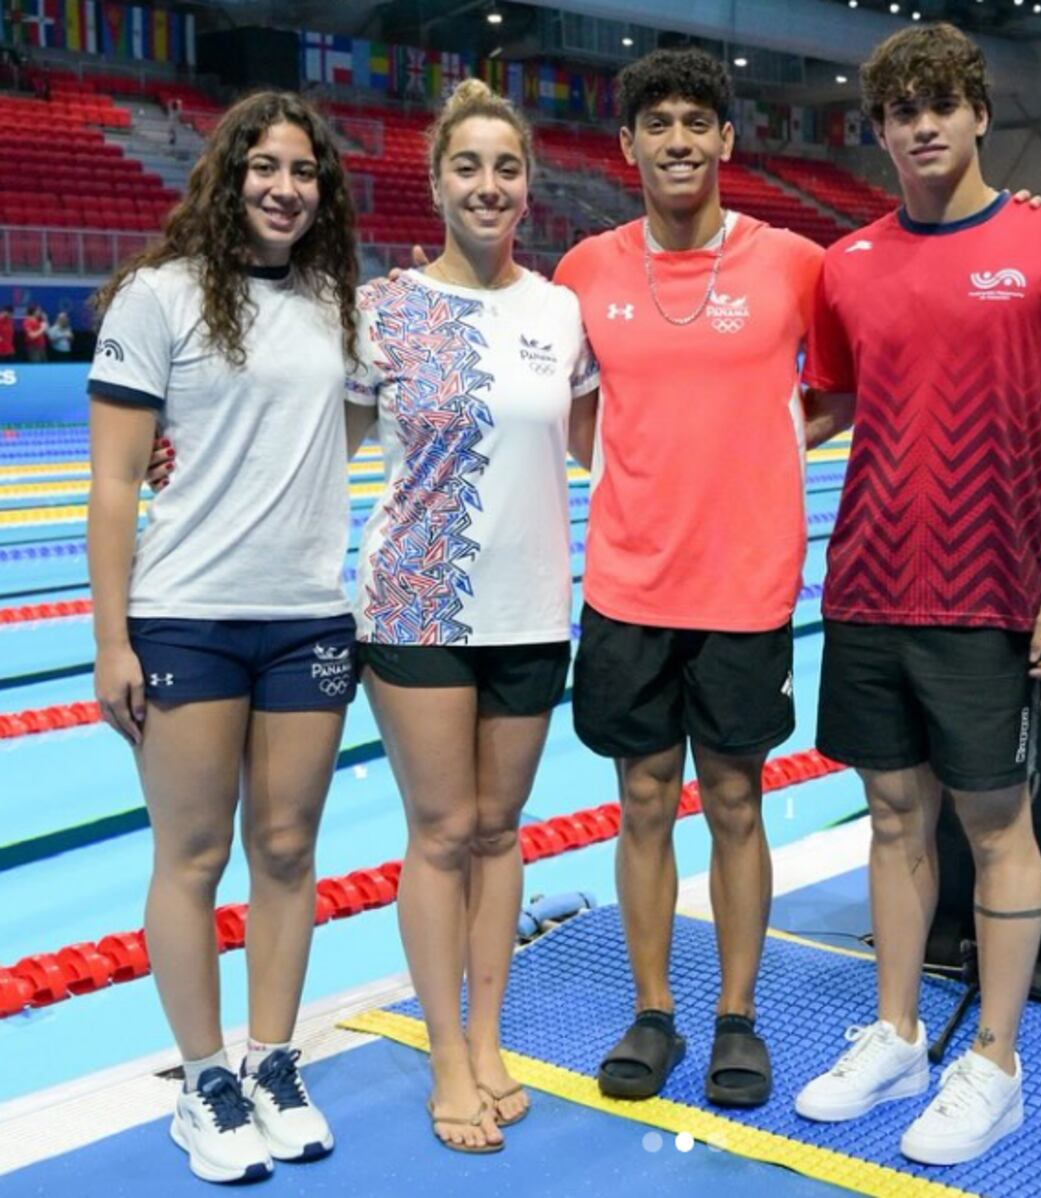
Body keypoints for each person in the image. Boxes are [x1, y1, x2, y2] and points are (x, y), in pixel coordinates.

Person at [793, 23, 1041, 1165]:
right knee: (895, 816)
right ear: (880, 129)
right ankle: (897, 1030)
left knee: (997, 826)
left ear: (981, 114)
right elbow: (826, 408)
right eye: (902, 111)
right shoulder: (846, 264)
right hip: (867, 585)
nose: (924, 126)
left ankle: (994, 1056)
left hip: (988, 595)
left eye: (943, 103)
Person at [87, 90, 360, 1185]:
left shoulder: (338, 302)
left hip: (306, 618)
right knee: (193, 857)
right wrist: (110, 641)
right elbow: (112, 482)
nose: (284, 187)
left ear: (322, 188)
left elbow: (374, 421)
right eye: (264, 167)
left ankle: (273, 1062)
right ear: (227, 176)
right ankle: (203, 1080)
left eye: (303, 170)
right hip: (187, 616)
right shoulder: (158, 298)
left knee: (288, 851)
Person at [552, 48, 825, 1109]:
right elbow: (573, 410)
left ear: (726, 140)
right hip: (629, 588)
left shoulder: (793, 262)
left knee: (736, 801)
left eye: (694, 122)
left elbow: (839, 387)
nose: (677, 140)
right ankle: (655, 1011)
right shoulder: (587, 270)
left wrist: (755, 462)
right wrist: (641, 477)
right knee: (642, 800)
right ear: (627, 146)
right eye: (656, 123)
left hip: (746, 588)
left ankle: (738, 1018)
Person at [347, 78, 598, 1155]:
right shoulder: (382, 308)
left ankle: (489, 1038)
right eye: (468, 166)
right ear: (436, 181)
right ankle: (446, 1055)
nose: (488, 185)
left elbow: (610, 444)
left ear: (527, 186)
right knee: (443, 832)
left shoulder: (561, 312)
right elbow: (320, 443)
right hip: (415, 604)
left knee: (500, 831)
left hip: (533, 609)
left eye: (506, 167)